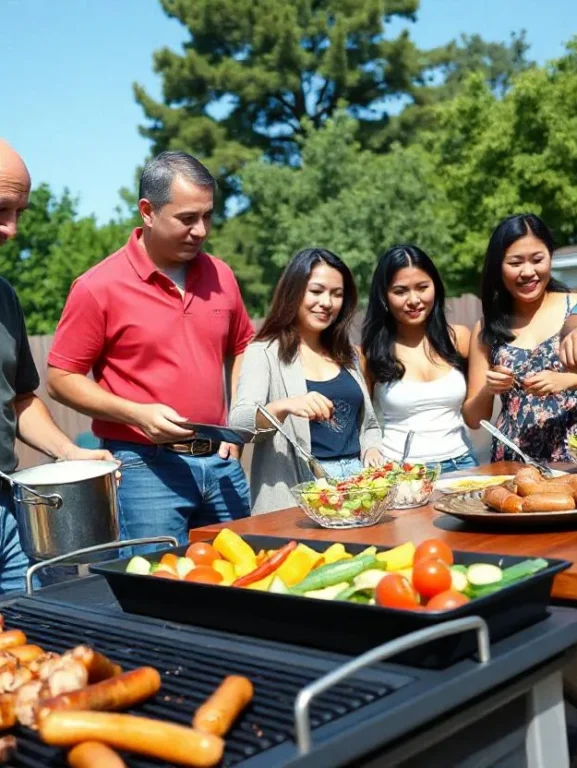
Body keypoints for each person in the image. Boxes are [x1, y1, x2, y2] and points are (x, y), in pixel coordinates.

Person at [47, 151, 252, 547]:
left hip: (223, 462)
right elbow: (60, 379)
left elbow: (244, 347)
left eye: (208, 216)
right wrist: (136, 413)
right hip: (144, 469)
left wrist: (238, 423)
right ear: (147, 211)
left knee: (242, 586)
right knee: (155, 591)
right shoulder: (98, 286)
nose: (201, 230)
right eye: (187, 218)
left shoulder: (221, 274)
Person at [0, 139, 113, 592]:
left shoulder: (4, 296)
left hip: (8, 510)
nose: (12, 228)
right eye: (2, 209)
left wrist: (71, 453)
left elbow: (22, 399)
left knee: (36, 636)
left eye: (19, 213)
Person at [230, 248, 383, 514]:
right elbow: (239, 423)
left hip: (358, 488)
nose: (327, 302)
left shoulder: (347, 353)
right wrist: (284, 406)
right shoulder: (264, 352)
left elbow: (368, 424)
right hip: (297, 490)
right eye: (316, 291)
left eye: (337, 294)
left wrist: (371, 450)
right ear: (294, 291)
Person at [463, 213, 577, 462]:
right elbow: (473, 418)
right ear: (498, 266)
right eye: (515, 263)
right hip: (511, 462)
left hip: (571, 460)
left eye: (538, 259)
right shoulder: (486, 327)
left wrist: (568, 380)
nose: (528, 272)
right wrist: (488, 389)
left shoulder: (574, 307)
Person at [361, 245, 476, 474]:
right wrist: (369, 450)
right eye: (400, 291)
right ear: (384, 296)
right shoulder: (370, 353)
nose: (413, 300)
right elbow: (363, 423)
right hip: (401, 472)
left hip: (463, 466)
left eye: (422, 287)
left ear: (435, 287)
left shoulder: (459, 338)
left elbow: (477, 412)